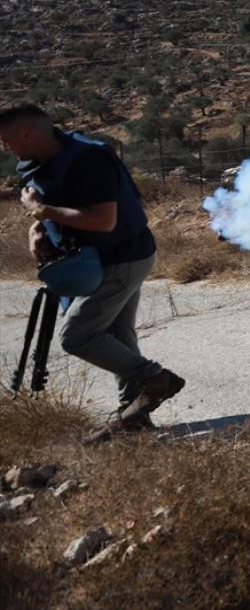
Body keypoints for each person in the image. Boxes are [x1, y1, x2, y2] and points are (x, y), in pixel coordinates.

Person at [0, 105, 184, 443]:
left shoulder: (89, 160)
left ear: (26, 133)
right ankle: (134, 417)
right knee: (116, 335)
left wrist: (40, 210)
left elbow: (103, 221)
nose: (4, 148)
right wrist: (39, 227)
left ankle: (156, 379)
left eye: (5, 140)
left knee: (77, 336)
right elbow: (57, 203)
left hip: (121, 258)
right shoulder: (38, 163)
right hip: (93, 260)